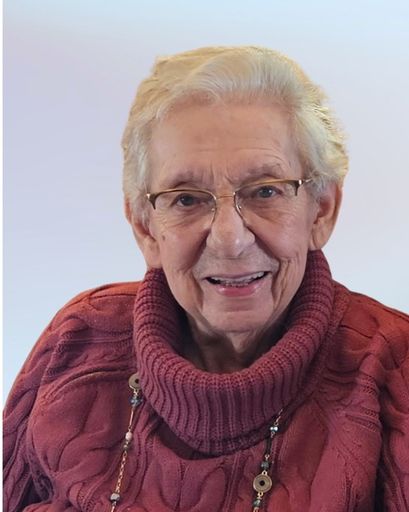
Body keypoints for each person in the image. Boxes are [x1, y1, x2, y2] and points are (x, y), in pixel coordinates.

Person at [3, 46, 409, 512]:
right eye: (186, 199)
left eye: (266, 191)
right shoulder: (76, 342)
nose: (229, 240)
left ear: (321, 210)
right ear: (145, 227)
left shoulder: (394, 371)